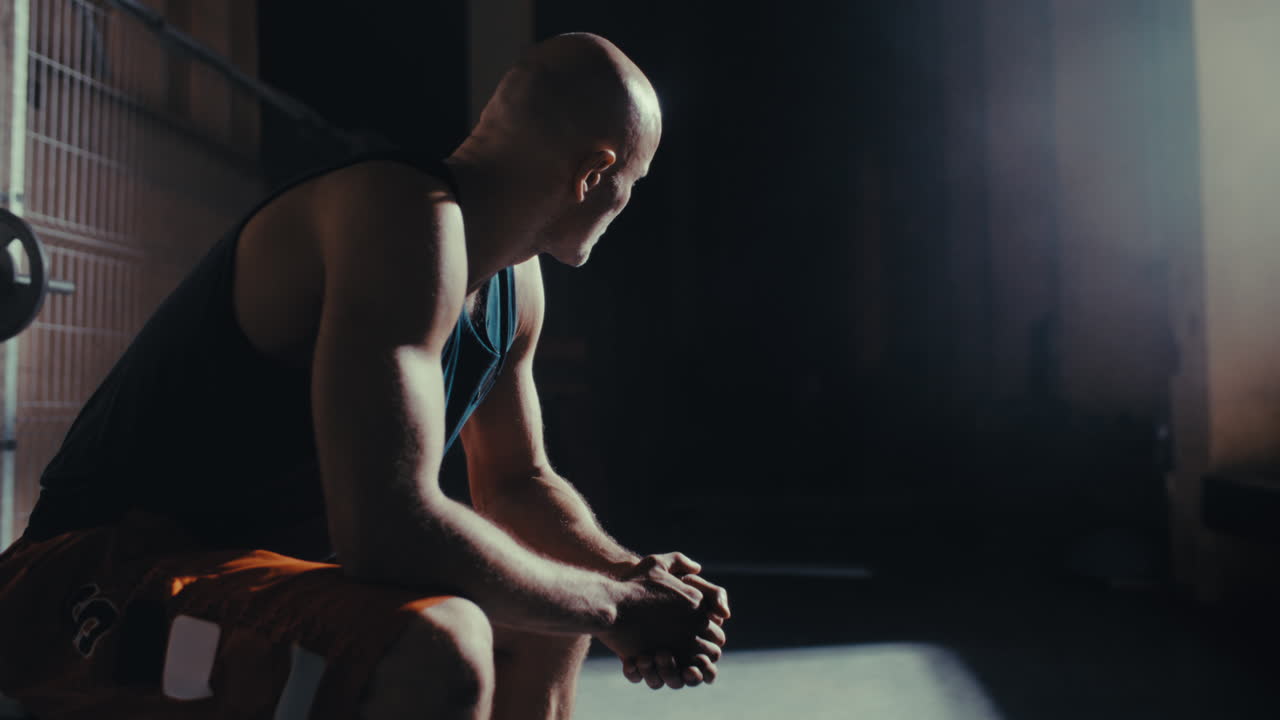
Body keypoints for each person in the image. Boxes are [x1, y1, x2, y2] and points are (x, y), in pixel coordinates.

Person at [0, 32, 729, 720]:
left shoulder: (515, 283)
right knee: (441, 642)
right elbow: (388, 532)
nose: (625, 204)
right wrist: (616, 608)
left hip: (240, 579)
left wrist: (633, 578)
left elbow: (517, 483)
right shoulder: (400, 214)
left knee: (549, 610)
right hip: (83, 589)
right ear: (594, 173)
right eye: (632, 183)